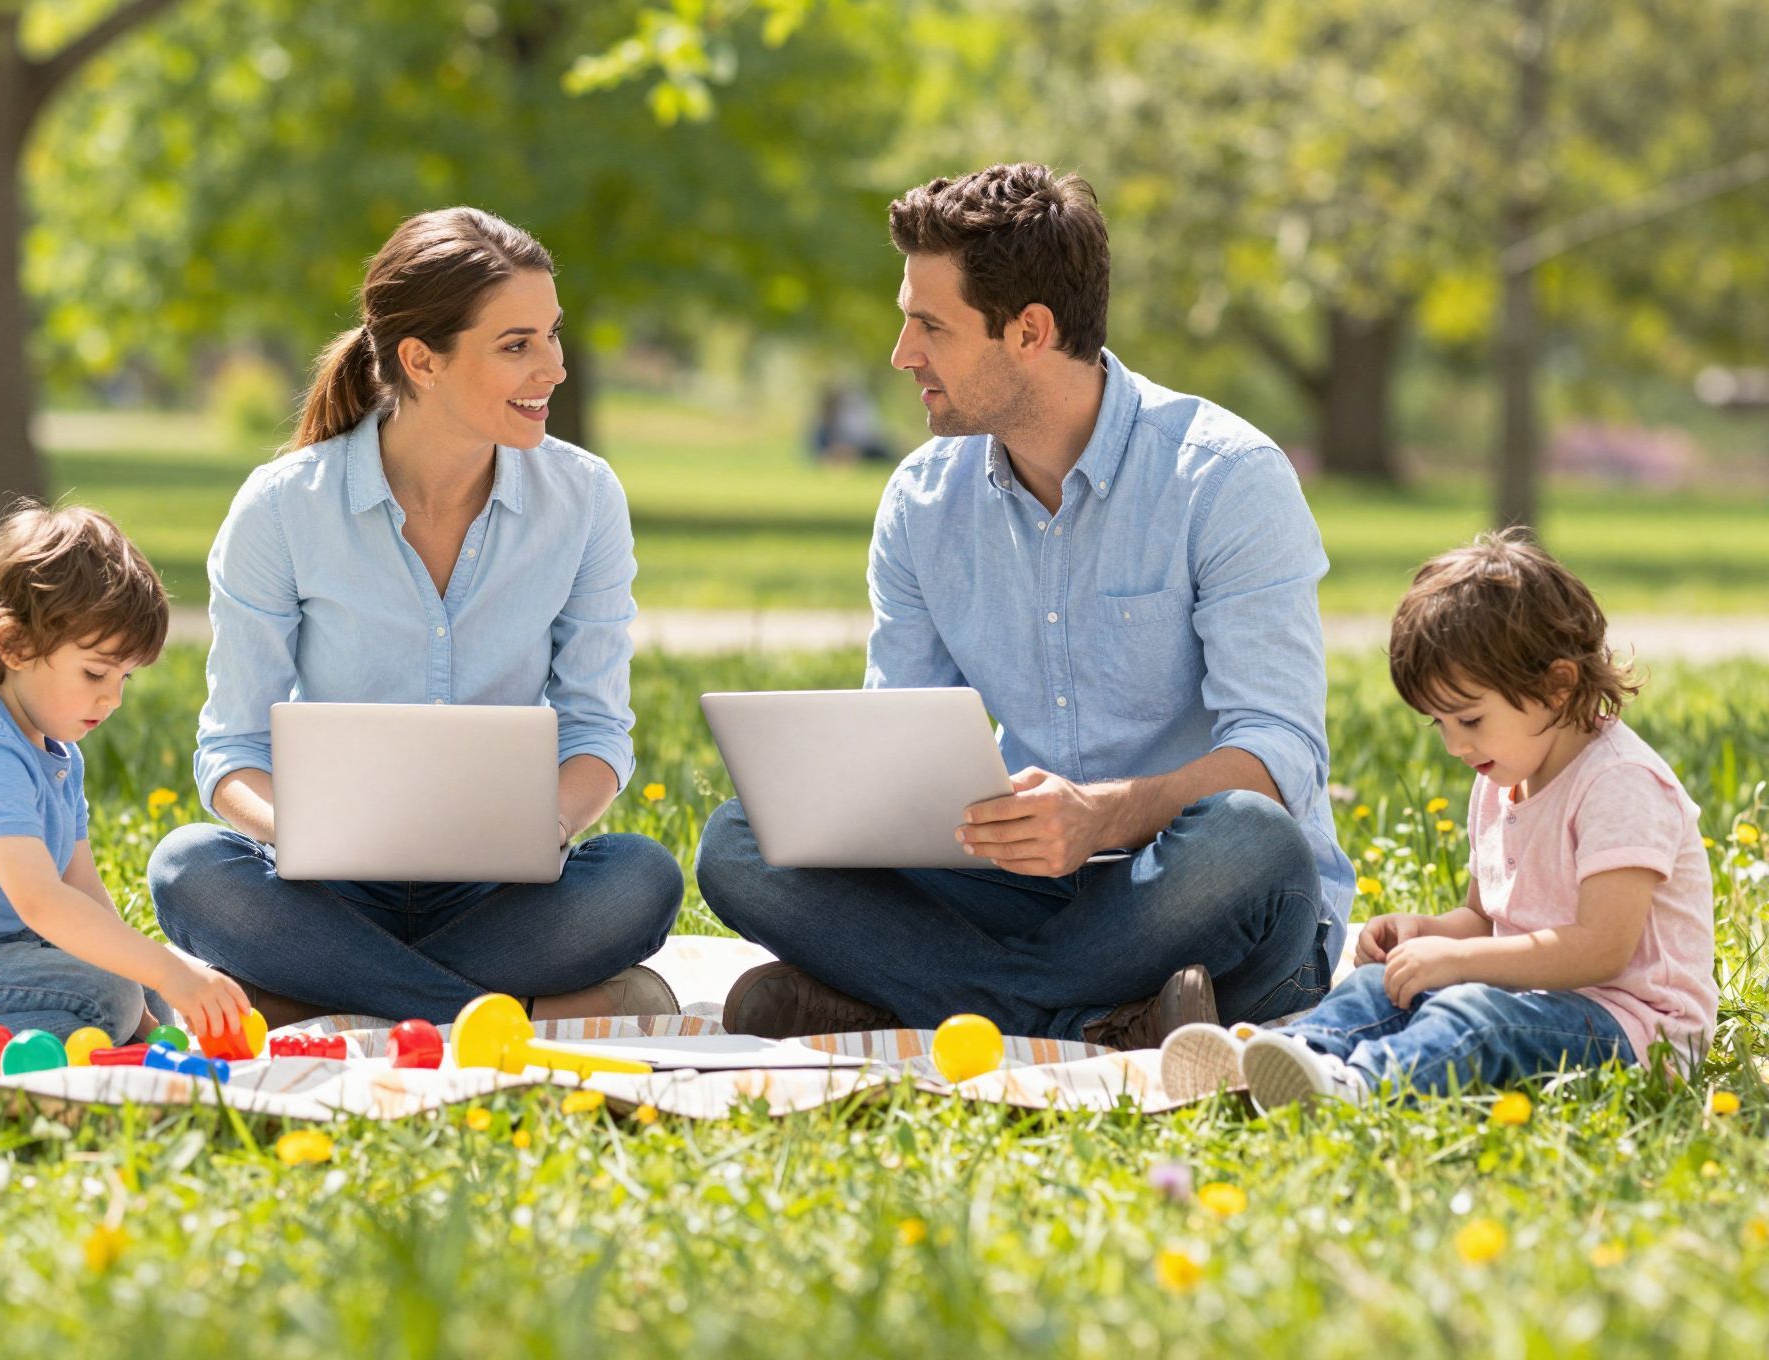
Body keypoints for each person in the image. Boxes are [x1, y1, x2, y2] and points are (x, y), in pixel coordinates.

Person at [698, 163, 1354, 1045]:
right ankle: (1090, 1013)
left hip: (1186, 880)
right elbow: (900, 742)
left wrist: (1101, 816)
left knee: (1253, 841)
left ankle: (927, 994)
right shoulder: (923, 501)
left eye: (930, 325)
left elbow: (1280, 756)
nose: (903, 354)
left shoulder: (1226, 479)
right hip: (1016, 877)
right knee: (742, 843)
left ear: (1031, 332)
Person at [149, 207, 683, 1025]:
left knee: (641, 879)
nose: (555, 367)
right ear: (420, 360)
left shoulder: (584, 499)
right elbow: (232, 753)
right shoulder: (284, 508)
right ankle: (520, 1011)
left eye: (552, 334)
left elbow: (595, 731)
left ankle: (317, 994)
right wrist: (297, 832)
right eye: (517, 345)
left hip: (502, 889)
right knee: (188, 868)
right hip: (331, 887)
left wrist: (552, 824)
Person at [1161, 532, 1717, 1107]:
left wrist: (1458, 962)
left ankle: (1358, 1086)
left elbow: (1601, 950)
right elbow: (1485, 920)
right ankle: (1294, 1056)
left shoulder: (1619, 783)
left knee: (1468, 1012)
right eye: (1440, 724)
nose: (1455, 745)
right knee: (1382, 984)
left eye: (1470, 719)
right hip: (1527, 999)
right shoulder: (1501, 778)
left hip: (1636, 1033)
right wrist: (1425, 934)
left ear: (1557, 685)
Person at [0, 505, 249, 1046]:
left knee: (142, 994)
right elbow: (41, 902)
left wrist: (151, 989)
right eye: (96, 672)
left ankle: (59, 1037)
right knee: (118, 994)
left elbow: (80, 888)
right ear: (15, 646)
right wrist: (161, 974)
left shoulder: (57, 752)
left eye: (125, 677)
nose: (113, 697)